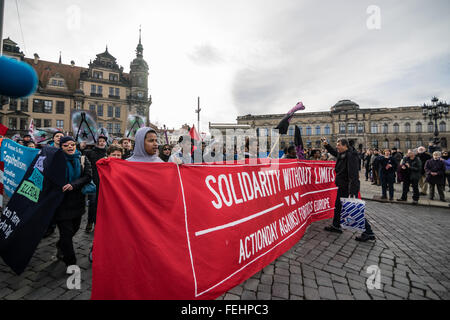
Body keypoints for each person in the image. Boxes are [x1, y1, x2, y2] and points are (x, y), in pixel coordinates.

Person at [322, 138, 376, 242]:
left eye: (338, 145)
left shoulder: (351, 156)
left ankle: (369, 232)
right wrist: (326, 145)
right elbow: (334, 152)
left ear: (345, 146)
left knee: (353, 209)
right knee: (338, 206)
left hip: (348, 187)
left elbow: (353, 175)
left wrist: (353, 191)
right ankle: (336, 225)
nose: (337, 147)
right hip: (342, 185)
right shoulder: (343, 154)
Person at [54, 136, 92, 266]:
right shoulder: (55, 160)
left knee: (74, 230)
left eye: (72, 145)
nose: (70, 147)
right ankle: (71, 262)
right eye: (66, 145)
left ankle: (60, 245)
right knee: (66, 234)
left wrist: (73, 185)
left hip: (77, 202)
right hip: (61, 203)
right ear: (61, 147)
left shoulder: (82, 158)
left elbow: (88, 176)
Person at [84, 135, 108, 233]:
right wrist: (81, 147)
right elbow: (82, 156)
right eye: (100, 141)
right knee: (93, 203)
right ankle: (90, 222)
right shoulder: (90, 152)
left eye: (103, 141)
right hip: (93, 182)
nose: (101, 142)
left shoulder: (107, 153)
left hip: (104, 183)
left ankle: (99, 224)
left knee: (102, 205)